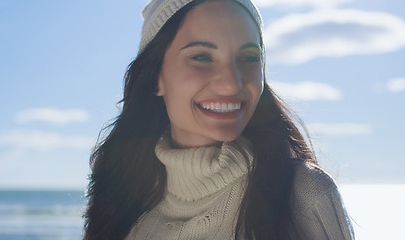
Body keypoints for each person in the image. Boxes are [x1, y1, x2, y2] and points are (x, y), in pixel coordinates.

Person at [83, 0, 355, 239]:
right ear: (156, 77)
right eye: (202, 57)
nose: (230, 84)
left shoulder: (304, 194)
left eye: (248, 57)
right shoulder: (119, 212)